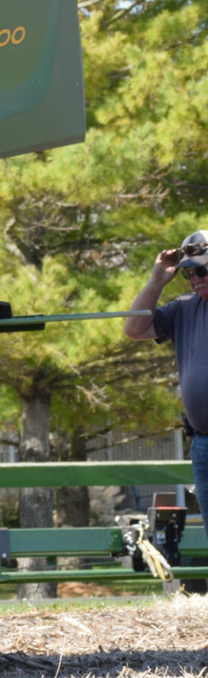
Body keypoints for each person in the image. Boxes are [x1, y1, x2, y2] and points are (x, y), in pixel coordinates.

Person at [124, 229, 208, 537]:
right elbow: (134, 328)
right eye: (189, 273)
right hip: (203, 442)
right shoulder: (185, 307)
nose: (196, 278)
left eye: (202, 269)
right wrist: (158, 279)